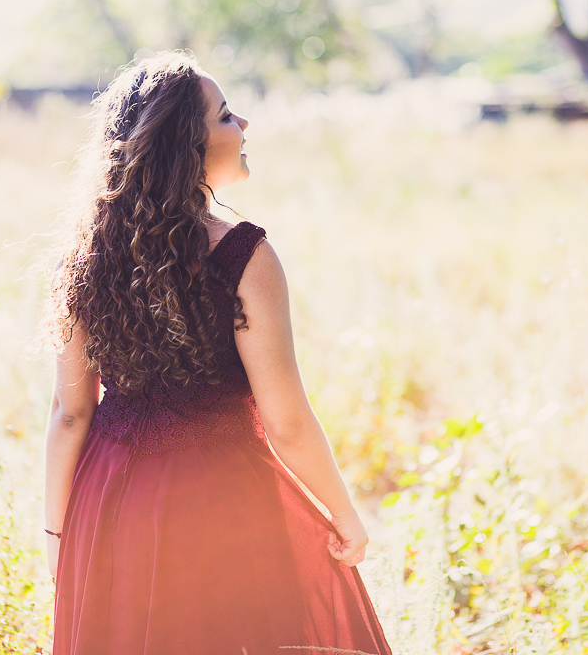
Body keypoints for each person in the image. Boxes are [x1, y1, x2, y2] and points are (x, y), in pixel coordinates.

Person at [42, 51, 392, 655]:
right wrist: (344, 513)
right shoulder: (244, 256)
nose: (245, 126)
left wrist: (57, 530)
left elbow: (70, 414)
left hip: (110, 497)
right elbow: (286, 420)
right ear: (186, 142)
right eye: (227, 115)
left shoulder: (82, 258)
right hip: (223, 504)